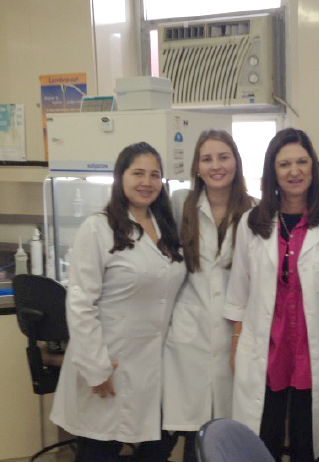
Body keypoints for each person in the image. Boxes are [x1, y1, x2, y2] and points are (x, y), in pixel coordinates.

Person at [50, 142, 186, 462]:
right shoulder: (98, 228)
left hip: (155, 365)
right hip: (108, 362)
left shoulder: (167, 227)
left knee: (158, 447)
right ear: (120, 177)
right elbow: (81, 303)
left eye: (155, 175)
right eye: (138, 173)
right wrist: (95, 367)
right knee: (100, 449)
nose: (147, 182)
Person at [223, 128, 319, 462]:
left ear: (313, 167)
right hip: (265, 351)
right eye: (284, 164)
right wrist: (237, 346)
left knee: (307, 444)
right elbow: (239, 293)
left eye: (302, 162)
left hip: (311, 354)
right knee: (263, 441)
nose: (294, 171)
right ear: (272, 171)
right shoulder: (252, 223)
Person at [162, 130, 254, 462]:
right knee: (194, 440)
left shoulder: (255, 211)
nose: (216, 166)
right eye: (207, 159)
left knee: (229, 437)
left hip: (235, 336)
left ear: (236, 163)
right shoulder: (179, 205)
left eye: (223, 157)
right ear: (197, 168)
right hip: (189, 339)